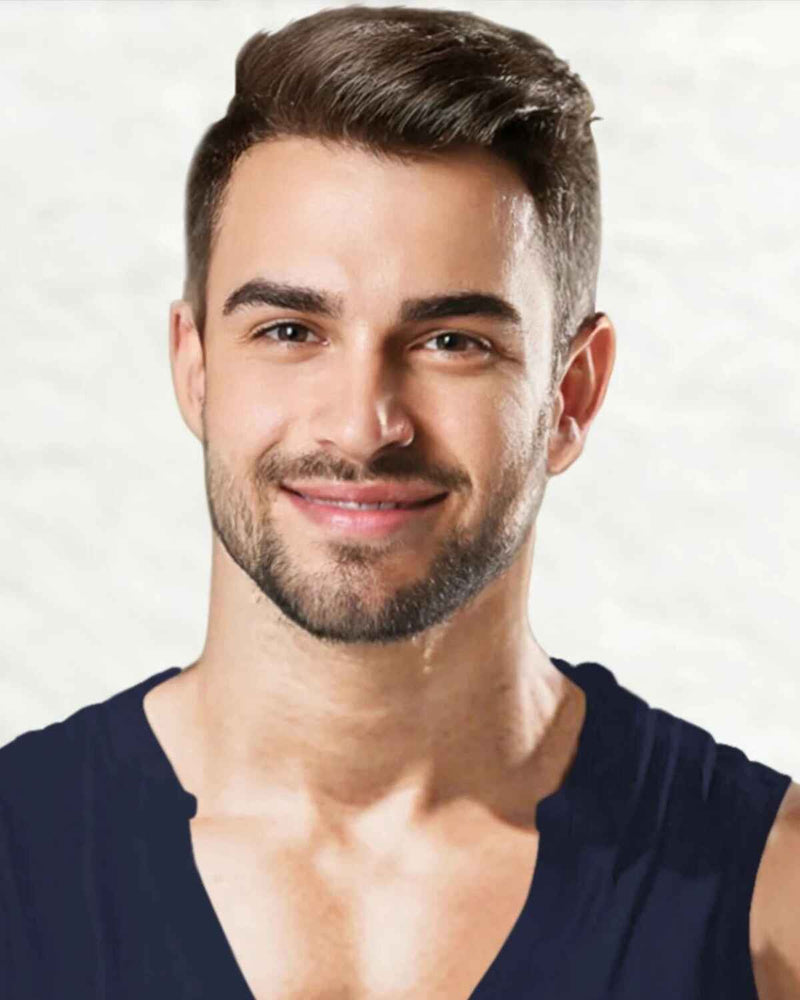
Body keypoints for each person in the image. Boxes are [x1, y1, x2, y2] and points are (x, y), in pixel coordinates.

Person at [1, 4, 797, 998]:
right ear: (194, 368)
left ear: (571, 393)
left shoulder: (771, 902)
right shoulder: (15, 867)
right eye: (290, 331)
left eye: (452, 341)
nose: (362, 424)